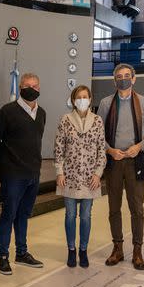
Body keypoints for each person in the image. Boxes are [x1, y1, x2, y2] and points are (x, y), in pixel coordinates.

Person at [97, 63, 144, 270]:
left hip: (135, 161)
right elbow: (98, 135)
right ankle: (118, 249)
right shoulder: (105, 103)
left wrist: (139, 147)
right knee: (114, 208)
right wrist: (109, 150)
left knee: (137, 209)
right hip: (114, 161)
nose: (123, 79)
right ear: (115, 80)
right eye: (119, 76)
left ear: (133, 78)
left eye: (126, 75)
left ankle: (138, 251)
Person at [0, 73, 46, 275]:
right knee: (9, 214)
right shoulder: (7, 112)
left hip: (33, 174)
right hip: (13, 175)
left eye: (34, 85)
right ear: (20, 88)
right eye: (26, 85)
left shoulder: (41, 113)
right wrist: (6, 164)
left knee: (23, 215)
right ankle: (3, 256)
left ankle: (21, 253)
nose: (30, 88)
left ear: (39, 88)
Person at [54, 85, 106, 267]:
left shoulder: (98, 120)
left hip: (90, 178)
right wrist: (59, 172)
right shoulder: (65, 120)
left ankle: (83, 250)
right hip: (69, 176)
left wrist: (98, 174)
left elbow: (102, 150)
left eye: (85, 96)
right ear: (73, 100)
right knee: (70, 215)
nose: (82, 99)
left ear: (90, 99)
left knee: (85, 216)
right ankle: (71, 250)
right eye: (79, 97)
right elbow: (59, 148)